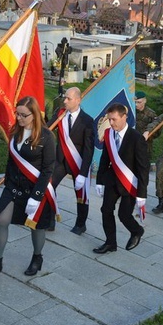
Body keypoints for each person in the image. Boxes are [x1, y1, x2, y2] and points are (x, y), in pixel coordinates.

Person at [0, 96, 56, 280]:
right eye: (17, 114)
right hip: (14, 187)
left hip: (34, 189)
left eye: (24, 115)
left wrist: (37, 196)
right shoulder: (16, 131)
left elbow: (48, 169)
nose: (19, 118)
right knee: (1, 221)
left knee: (36, 227)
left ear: (34, 114)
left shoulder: (47, 137)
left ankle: (37, 257)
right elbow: (11, 161)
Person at [93, 103, 149, 253]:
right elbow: (105, 158)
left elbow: (143, 168)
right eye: (109, 119)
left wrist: (142, 194)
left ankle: (136, 231)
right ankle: (110, 243)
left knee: (124, 215)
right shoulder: (108, 134)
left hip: (130, 182)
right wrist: (99, 181)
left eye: (114, 119)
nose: (111, 123)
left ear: (124, 117)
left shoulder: (137, 139)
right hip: (112, 179)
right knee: (106, 210)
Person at [48, 87, 94, 235]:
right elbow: (48, 128)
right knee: (48, 186)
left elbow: (88, 149)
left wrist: (83, 172)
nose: (65, 101)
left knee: (81, 196)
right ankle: (49, 220)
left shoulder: (87, 120)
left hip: (78, 163)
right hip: (61, 160)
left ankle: (81, 224)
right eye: (65, 98)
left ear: (78, 100)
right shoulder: (60, 114)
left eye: (69, 98)